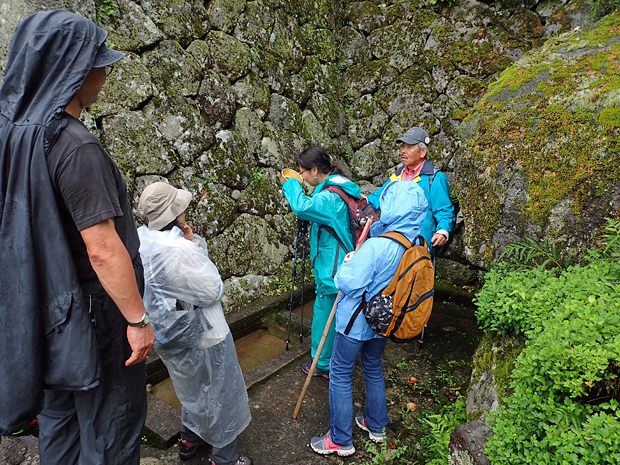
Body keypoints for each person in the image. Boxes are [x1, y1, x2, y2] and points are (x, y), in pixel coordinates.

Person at [0, 10, 155, 465]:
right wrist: (138, 321)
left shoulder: (14, 135)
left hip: (43, 307)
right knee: (110, 431)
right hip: (96, 317)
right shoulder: (75, 146)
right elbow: (103, 249)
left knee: (60, 426)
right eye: (99, 63)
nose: (105, 73)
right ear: (75, 71)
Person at [137, 182, 253, 465]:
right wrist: (194, 246)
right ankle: (224, 459)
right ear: (174, 214)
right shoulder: (178, 249)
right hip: (201, 328)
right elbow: (210, 289)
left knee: (191, 385)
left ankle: (190, 439)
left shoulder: (140, 240)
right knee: (220, 388)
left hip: (167, 330)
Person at [310, 181, 428, 456]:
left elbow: (347, 282)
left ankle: (340, 440)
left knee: (340, 373)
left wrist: (350, 261)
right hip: (387, 320)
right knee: (373, 366)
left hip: (356, 322)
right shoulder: (416, 242)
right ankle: (376, 425)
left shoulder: (378, 246)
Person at [281, 145, 361, 378]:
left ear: (315, 170)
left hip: (332, 268)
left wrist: (291, 183)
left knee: (325, 313)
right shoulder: (338, 185)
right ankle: (335, 359)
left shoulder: (329, 197)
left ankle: (322, 364)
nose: (302, 177)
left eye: (302, 172)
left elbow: (301, 206)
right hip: (341, 262)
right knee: (337, 313)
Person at [367, 127, 454, 251]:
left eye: (409, 147)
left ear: (423, 152)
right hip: (390, 235)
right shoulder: (397, 176)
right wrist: (360, 201)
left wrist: (443, 230)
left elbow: (444, 209)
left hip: (418, 240)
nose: (403, 151)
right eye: (402, 147)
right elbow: (378, 198)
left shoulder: (434, 178)